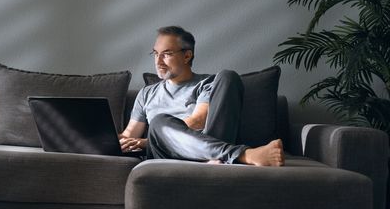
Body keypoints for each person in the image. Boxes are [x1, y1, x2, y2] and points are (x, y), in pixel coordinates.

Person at [119, 26, 284, 166]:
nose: (158, 61)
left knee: (228, 76)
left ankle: (215, 155)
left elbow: (198, 120)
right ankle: (243, 155)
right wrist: (106, 139)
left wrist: (151, 139)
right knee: (159, 122)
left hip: (207, 141)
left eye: (166, 54)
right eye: (156, 54)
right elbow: (129, 135)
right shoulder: (146, 93)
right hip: (165, 154)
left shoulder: (207, 84)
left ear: (187, 56)